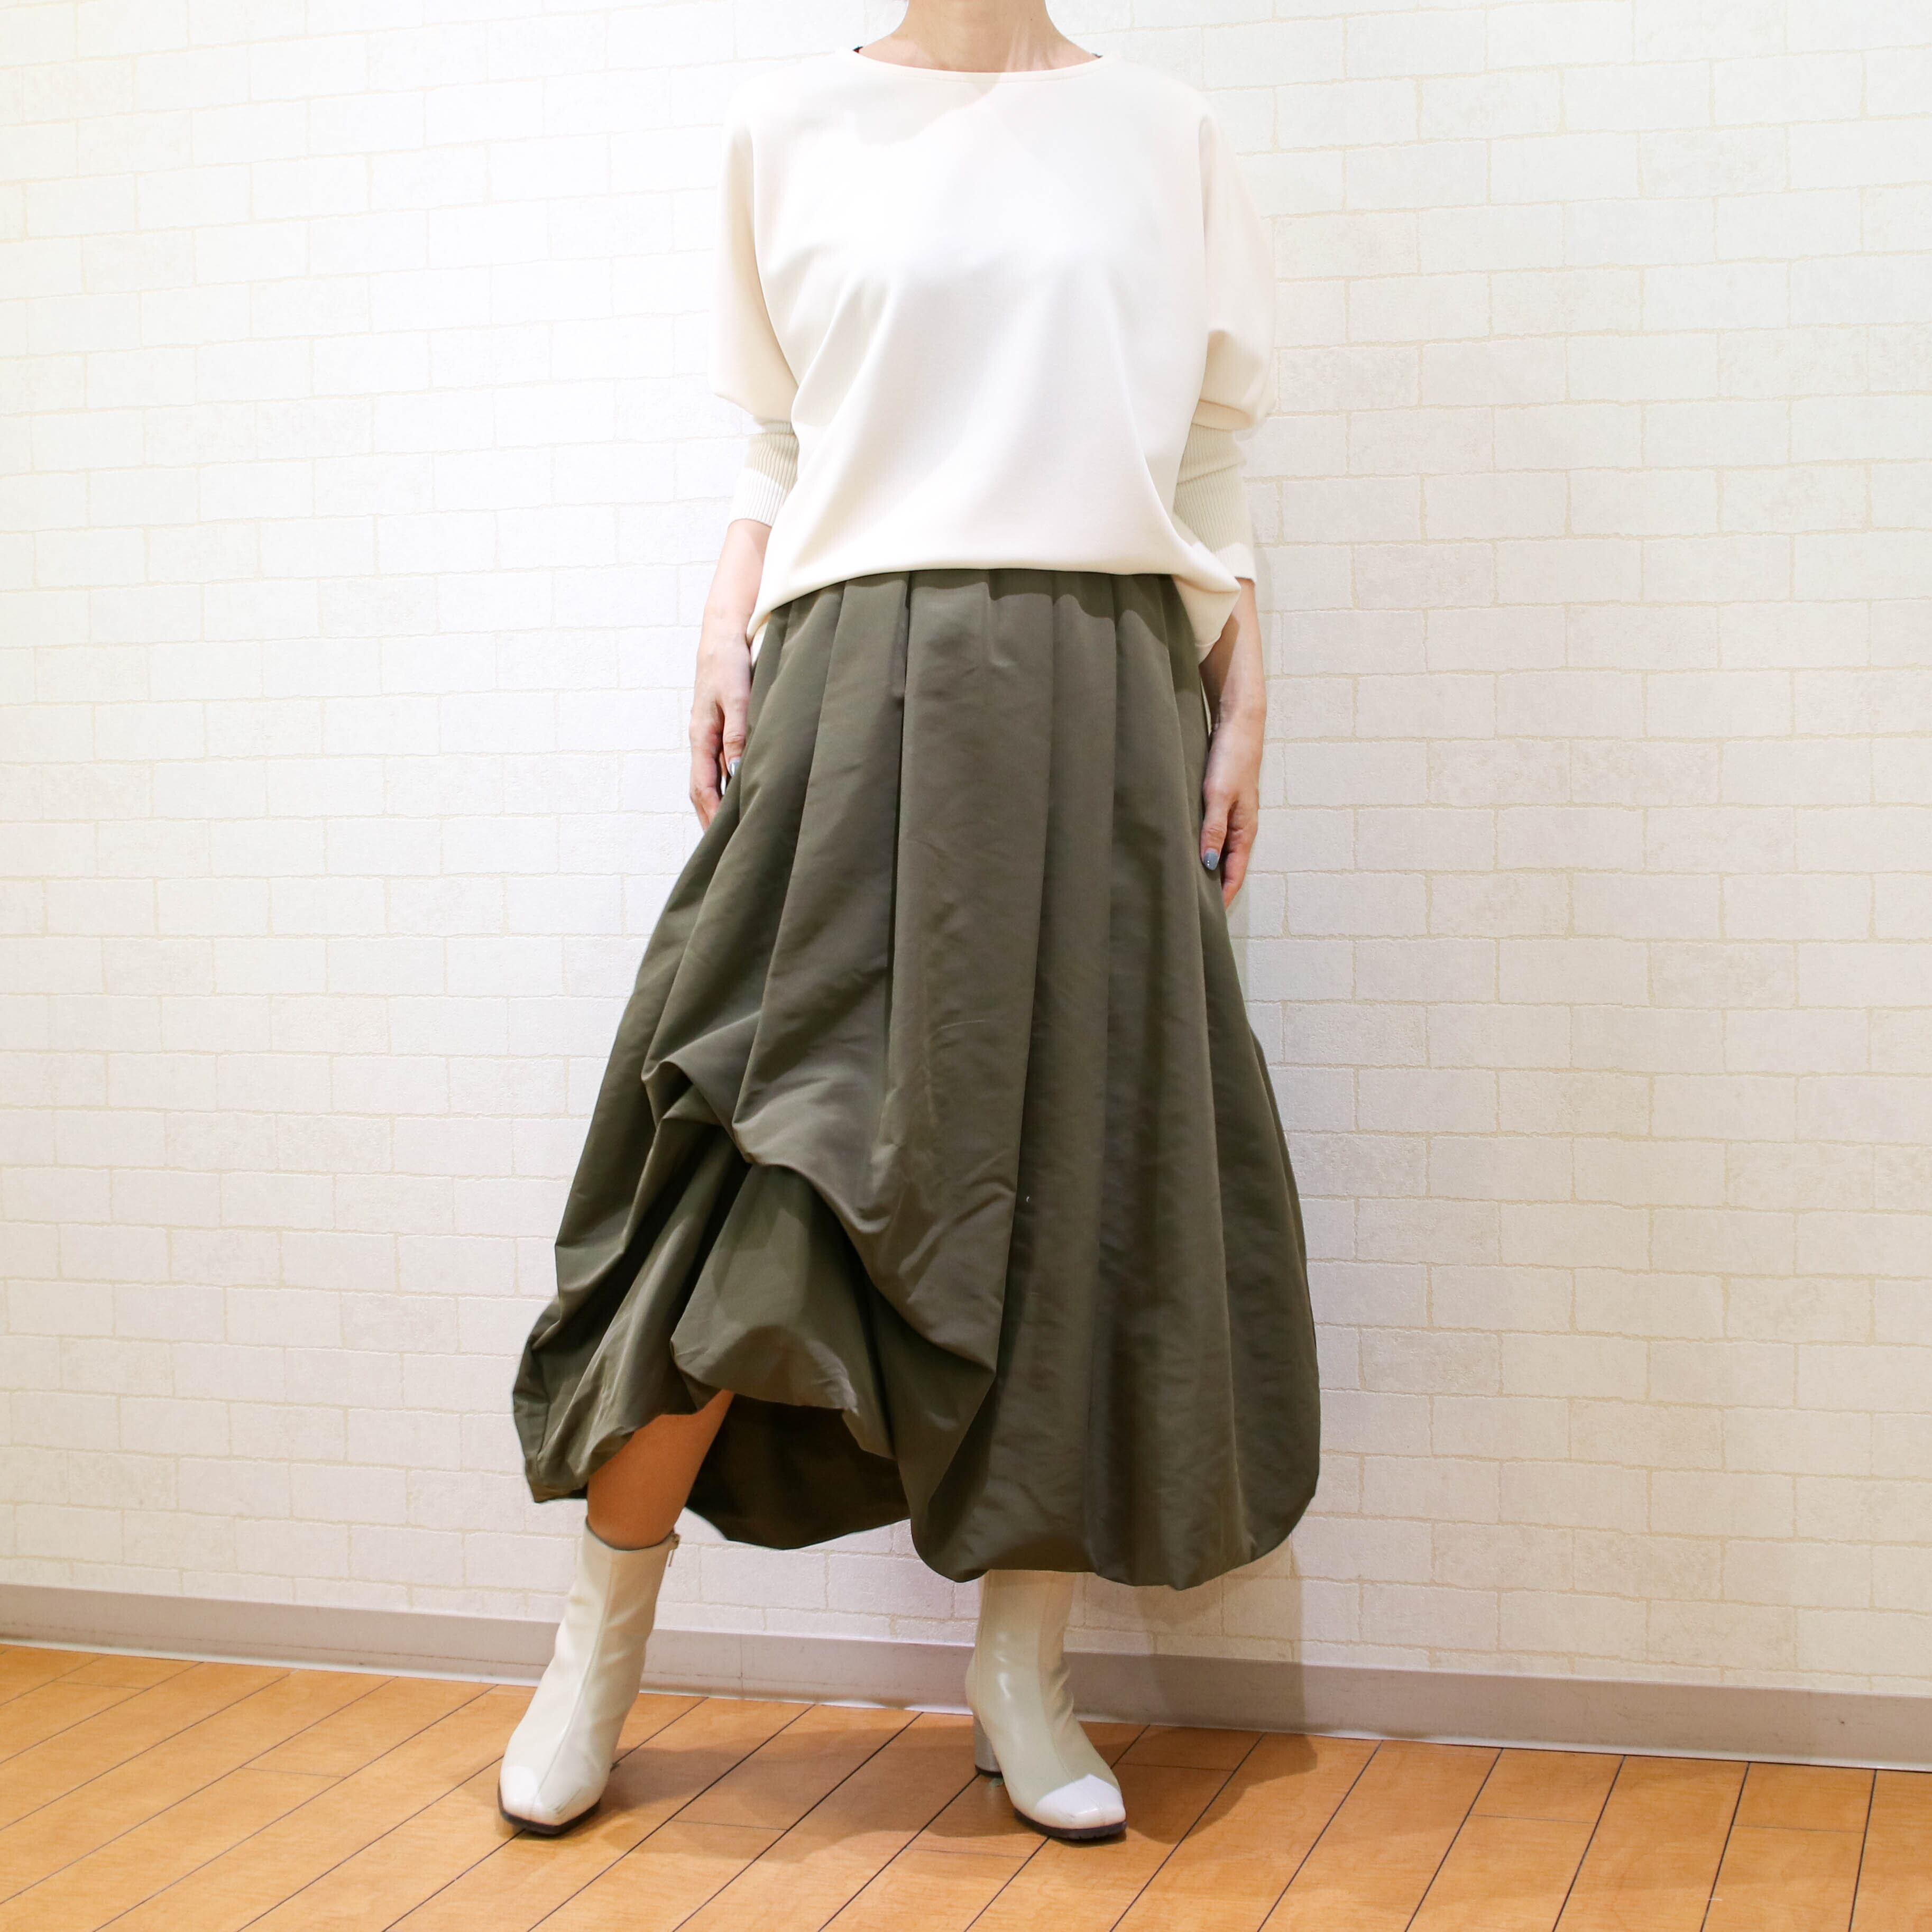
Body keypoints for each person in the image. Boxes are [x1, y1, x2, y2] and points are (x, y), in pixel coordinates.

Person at [498, 0, 1320, 1844]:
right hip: (854, 677)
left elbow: (1204, 465)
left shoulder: (1168, 133)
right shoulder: (786, 128)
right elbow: (782, 438)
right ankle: (595, 1655)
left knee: (1074, 1172)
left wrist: (1246, 693)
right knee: (756, 1162)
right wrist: (726, 616)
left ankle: (1024, 1677)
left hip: (1101, 682)